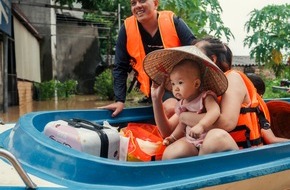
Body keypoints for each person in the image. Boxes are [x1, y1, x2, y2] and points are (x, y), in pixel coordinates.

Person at [150, 37, 288, 156]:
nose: (191, 59)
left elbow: (226, 123)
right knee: (173, 151)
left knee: (215, 137)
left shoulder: (232, 78)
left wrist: (184, 117)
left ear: (212, 59)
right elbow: (168, 132)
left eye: (196, 54)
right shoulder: (198, 92)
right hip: (204, 149)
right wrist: (156, 99)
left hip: (243, 153)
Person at [98, 0, 196, 117]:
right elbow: (120, 67)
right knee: (168, 108)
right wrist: (120, 100)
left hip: (181, 84)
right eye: (133, 3)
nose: (138, 6)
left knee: (171, 109)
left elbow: (196, 52)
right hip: (154, 88)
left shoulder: (174, 22)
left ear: (155, 3)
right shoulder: (127, 29)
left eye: (142, 1)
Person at [143, 45, 229, 158]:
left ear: (196, 84)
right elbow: (181, 124)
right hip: (191, 141)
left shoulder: (206, 96)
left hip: (209, 139)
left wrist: (201, 126)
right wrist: (172, 138)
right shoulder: (181, 104)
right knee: (169, 154)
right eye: (173, 83)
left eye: (180, 83)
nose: (176, 88)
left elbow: (214, 112)